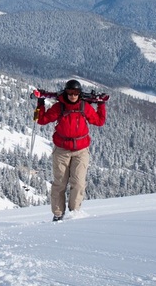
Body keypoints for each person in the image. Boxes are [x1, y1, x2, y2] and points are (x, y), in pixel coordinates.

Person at [37, 79, 106, 221]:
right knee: (60, 183)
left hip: (81, 150)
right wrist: (40, 104)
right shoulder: (59, 107)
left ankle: (74, 212)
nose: (72, 96)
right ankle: (58, 214)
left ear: (80, 94)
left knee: (79, 182)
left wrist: (101, 105)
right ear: (66, 92)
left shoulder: (84, 107)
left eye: (75, 93)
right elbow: (41, 119)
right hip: (62, 150)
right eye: (70, 92)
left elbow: (99, 121)